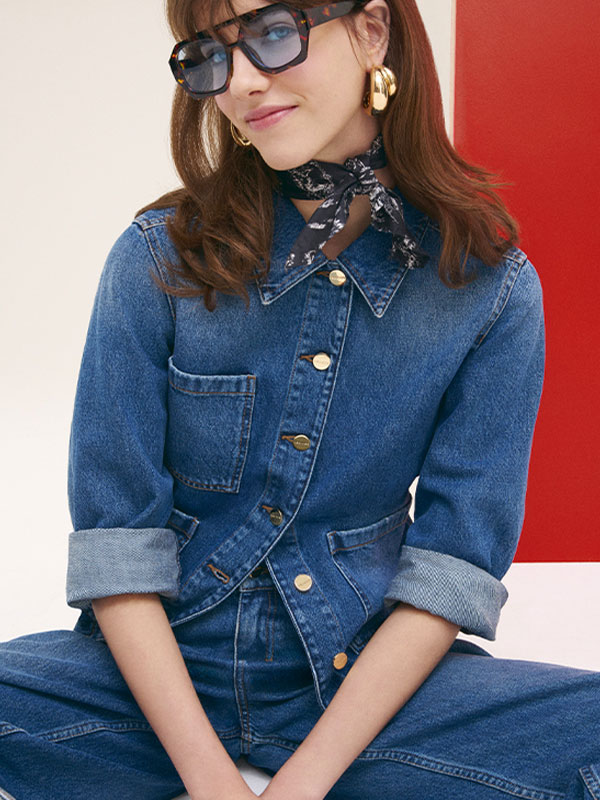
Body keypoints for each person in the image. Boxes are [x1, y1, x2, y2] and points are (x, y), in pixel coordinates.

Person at [0, 0, 598, 798]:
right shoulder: (157, 258)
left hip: (364, 689)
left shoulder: (490, 290)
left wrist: (304, 783)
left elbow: (452, 564)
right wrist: (214, 782)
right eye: (210, 56)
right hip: (151, 684)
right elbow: (118, 542)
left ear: (372, 30)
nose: (241, 83)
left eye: (273, 34)